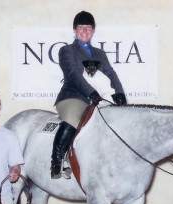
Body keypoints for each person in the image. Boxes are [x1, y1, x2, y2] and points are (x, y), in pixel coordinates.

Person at [51, 10, 127, 179]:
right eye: (81, 27)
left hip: (97, 99)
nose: (84, 31)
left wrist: (119, 93)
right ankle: (56, 162)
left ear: (93, 30)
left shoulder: (100, 53)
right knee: (73, 118)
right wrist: (90, 92)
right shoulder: (67, 50)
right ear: (74, 30)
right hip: (73, 97)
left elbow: (111, 74)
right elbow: (72, 74)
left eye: (88, 27)